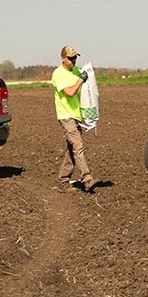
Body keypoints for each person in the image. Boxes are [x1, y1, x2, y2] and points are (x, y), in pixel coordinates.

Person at [52, 45, 97, 193]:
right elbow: (70, 92)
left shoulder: (77, 71)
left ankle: (63, 180)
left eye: (75, 58)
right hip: (66, 116)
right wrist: (80, 80)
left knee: (72, 150)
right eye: (70, 58)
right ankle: (87, 178)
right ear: (63, 58)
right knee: (78, 146)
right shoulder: (58, 74)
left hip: (76, 116)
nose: (73, 61)